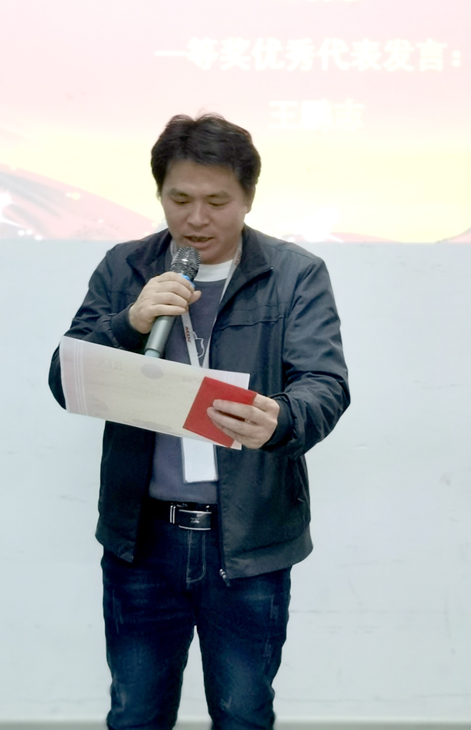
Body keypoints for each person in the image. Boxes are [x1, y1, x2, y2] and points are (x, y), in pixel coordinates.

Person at [48, 113, 350, 729]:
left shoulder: (295, 273)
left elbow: (325, 383)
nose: (196, 219)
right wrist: (129, 322)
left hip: (248, 541)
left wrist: (283, 419)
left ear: (248, 198)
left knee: (243, 713)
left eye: (217, 202)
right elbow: (65, 377)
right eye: (179, 199)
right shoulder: (125, 268)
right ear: (159, 193)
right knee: (136, 713)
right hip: (142, 540)